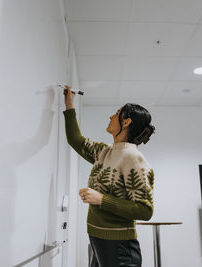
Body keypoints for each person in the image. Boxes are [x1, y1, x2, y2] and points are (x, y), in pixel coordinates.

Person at [62, 85, 155, 267]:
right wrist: (69, 103)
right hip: (98, 239)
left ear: (126, 122)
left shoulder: (133, 157)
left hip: (120, 247)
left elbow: (145, 210)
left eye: (116, 113)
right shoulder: (106, 152)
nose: (111, 117)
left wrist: (102, 199)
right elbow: (76, 140)